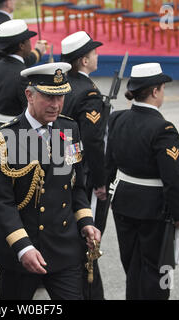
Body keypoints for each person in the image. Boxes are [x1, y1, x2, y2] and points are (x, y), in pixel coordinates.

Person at [0, 62, 101, 300]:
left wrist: (86, 222)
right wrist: (24, 248)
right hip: (21, 251)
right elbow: (0, 200)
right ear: (29, 94)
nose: (56, 105)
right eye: (49, 97)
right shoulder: (6, 136)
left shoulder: (69, 129)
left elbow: (76, 185)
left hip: (64, 249)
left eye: (60, 97)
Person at [105, 62, 179, 300]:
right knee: (158, 272)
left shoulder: (118, 118)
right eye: (162, 89)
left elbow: (108, 161)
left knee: (132, 266)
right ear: (154, 91)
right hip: (154, 208)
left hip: (123, 201)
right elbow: (173, 178)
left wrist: (107, 188)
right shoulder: (163, 128)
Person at [60, 31, 106, 300]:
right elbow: (93, 141)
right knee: (87, 233)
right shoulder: (88, 92)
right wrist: (99, 181)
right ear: (84, 61)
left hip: (58, 163)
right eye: (93, 53)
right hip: (80, 169)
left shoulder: (61, 83)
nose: (97, 56)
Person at [0, 19, 45, 128]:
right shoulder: (24, 74)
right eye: (28, 40)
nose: (30, 44)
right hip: (17, 128)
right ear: (21, 45)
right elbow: (29, 110)